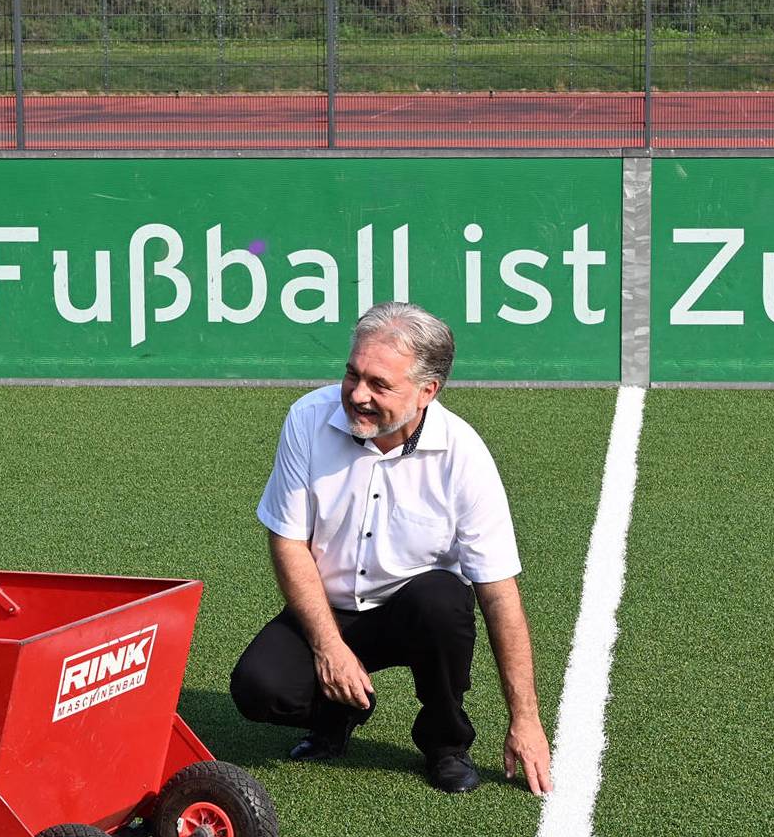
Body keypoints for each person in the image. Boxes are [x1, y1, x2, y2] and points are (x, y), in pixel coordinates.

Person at [230, 302, 553, 796]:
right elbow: (288, 540)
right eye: (352, 374)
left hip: (414, 613)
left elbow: (498, 591)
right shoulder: (307, 420)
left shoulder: (464, 455)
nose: (357, 395)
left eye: (379, 385)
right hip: (329, 606)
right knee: (258, 689)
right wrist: (329, 645)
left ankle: (445, 743)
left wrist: (525, 720)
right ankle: (340, 710)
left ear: (428, 391)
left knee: (444, 598)